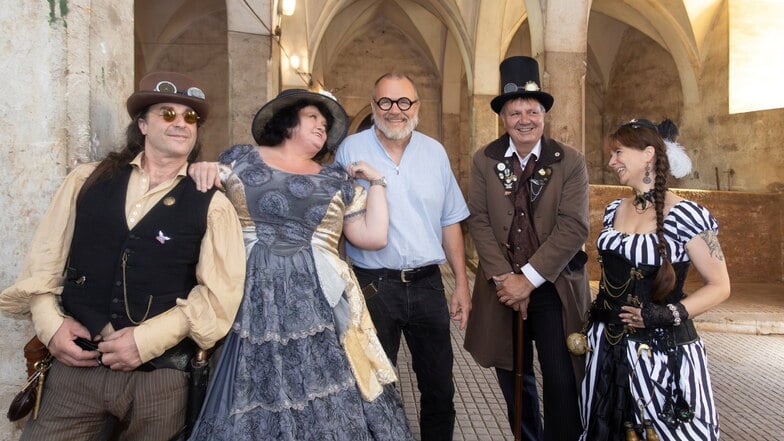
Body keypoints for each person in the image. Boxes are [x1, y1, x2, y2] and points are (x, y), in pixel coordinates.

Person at [0, 71, 246, 440]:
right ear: (142, 124)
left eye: (190, 117)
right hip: (76, 367)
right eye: (167, 113)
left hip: (159, 379)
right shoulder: (87, 180)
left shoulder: (212, 203)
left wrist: (145, 341)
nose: (181, 123)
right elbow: (43, 264)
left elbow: (218, 298)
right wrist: (51, 326)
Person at [186, 88, 414, 440]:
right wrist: (200, 167)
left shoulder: (334, 179)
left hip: (318, 301)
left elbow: (373, 236)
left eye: (325, 124)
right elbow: (203, 200)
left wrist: (378, 182)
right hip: (246, 294)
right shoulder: (240, 160)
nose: (321, 127)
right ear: (287, 120)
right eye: (313, 118)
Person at [335, 73, 471, 441]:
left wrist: (461, 284)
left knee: (439, 386)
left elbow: (450, 221)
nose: (395, 110)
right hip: (372, 286)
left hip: (428, 285)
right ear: (374, 104)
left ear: (417, 107)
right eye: (385, 102)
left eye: (403, 102)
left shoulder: (435, 152)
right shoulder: (350, 150)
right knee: (376, 386)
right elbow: (335, 218)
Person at [463, 56, 590, 441]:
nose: (524, 119)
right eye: (514, 111)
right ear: (503, 117)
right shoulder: (484, 160)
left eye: (532, 110)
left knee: (561, 379)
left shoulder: (570, 161)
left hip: (554, 287)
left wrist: (528, 281)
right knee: (514, 377)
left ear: (544, 114)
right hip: (503, 288)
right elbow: (479, 220)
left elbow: (573, 227)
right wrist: (506, 279)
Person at [579, 118, 729, 440]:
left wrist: (664, 313)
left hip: (661, 352)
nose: (611, 161)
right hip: (606, 347)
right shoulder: (613, 209)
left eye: (618, 152)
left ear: (648, 153)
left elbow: (720, 286)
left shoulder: (689, 216)